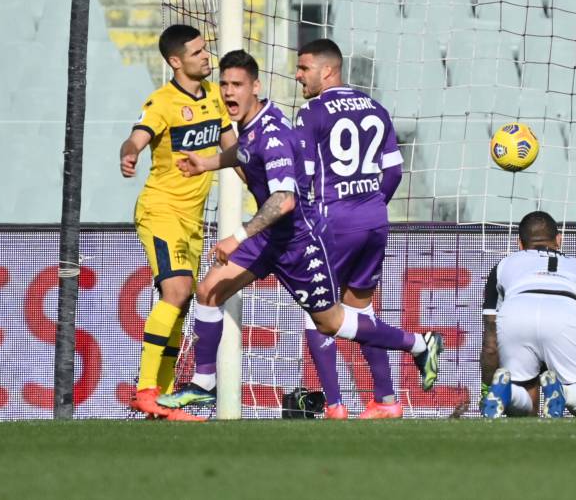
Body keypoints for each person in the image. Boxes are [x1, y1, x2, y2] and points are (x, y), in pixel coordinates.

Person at [156, 50, 443, 414]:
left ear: (255, 87)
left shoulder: (279, 130)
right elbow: (245, 152)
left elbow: (285, 200)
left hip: (298, 242)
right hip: (276, 236)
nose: (228, 92)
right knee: (209, 289)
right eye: (224, 84)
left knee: (331, 322)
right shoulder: (257, 122)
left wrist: (237, 236)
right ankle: (203, 384)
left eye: (237, 85)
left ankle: (418, 345)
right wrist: (207, 163)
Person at [119, 24, 235, 420]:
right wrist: (130, 153)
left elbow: (232, 150)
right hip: (161, 210)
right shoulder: (162, 102)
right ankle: (146, 390)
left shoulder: (217, 98)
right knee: (177, 292)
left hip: (193, 218)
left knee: (182, 303)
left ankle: (164, 397)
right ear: (175, 61)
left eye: (206, 50)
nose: (207, 57)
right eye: (198, 52)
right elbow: (137, 135)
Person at [294, 38, 405, 419]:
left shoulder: (312, 112)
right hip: (375, 220)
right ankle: (386, 401)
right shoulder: (376, 108)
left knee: (317, 311)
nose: (298, 76)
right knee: (361, 310)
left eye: (304, 68)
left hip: (333, 223)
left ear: (328, 70)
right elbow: (393, 172)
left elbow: (303, 179)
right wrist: (371, 206)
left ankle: (335, 405)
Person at [479, 211, 576, 419]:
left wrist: (487, 387)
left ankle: (507, 392)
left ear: (520, 244)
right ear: (559, 240)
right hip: (565, 311)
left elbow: (490, 346)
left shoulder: (504, 265)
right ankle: (567, 393)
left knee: (523, 389)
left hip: (517, 311)